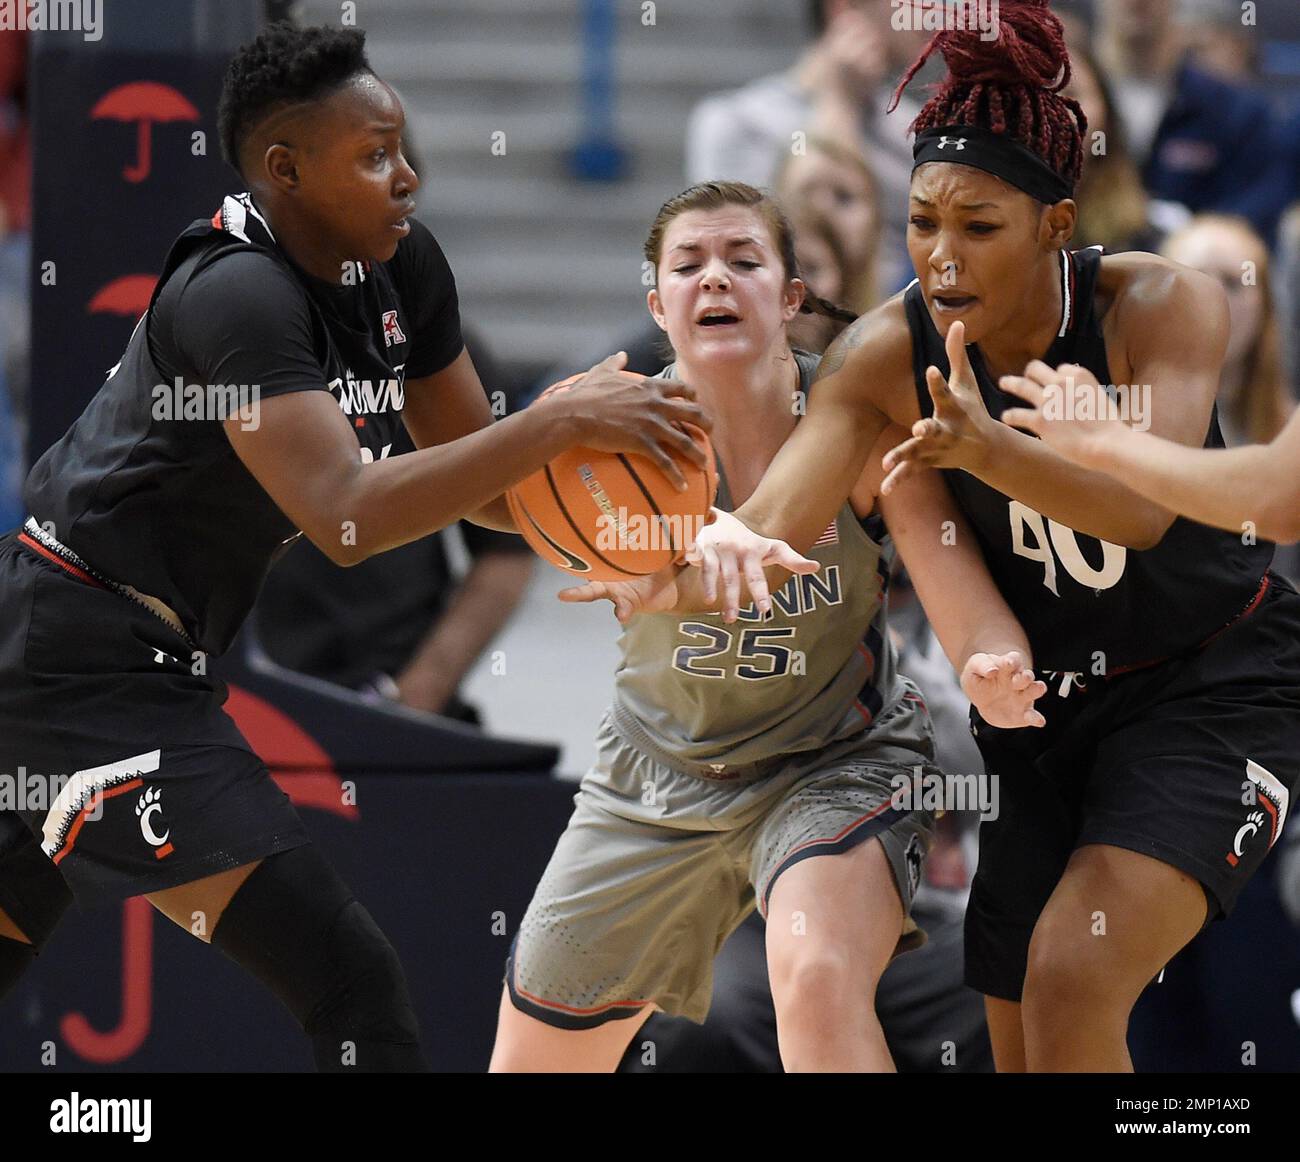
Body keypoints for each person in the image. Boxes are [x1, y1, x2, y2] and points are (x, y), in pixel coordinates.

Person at [580, 0, 1300, 1073]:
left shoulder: (1159, 303)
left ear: (1055, 224)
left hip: (1212, 683)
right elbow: (774, 520)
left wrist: (989, 450)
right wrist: (665, 571)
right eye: (922, 221)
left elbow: (1144, 511)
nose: (941, 254)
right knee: (1016, 1031)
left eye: (977, 225)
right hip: (1050, 712)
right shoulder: (885, 349)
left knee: (1073, 972)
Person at [0, 23, 709, 1071]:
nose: (409, 177)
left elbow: (484, 481)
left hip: (125, 655)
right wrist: (560, 422)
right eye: (375, 156)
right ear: (284, 170)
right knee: (349, 980)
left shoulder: (401, 267)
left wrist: (634, 542)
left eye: (405, 146)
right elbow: (345, 518)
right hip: (83, 661)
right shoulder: (234, 297)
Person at [490, 180, 1047, 1074]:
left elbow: (952, 577)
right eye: (689, 265)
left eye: (744, 261)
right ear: (656, 303)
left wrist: (993, 660)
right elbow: (486, 501)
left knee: (816, 973)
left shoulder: (858, 422)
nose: (716, 279)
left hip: (836, 762)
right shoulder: (606, 438)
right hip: (656, 772)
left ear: (791, 298)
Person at [685, 0, 927, 290]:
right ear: (843, 9)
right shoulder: (737, 124)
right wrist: (840, 102)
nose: (931, 12)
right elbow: (764, 260)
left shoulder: (915, 132)